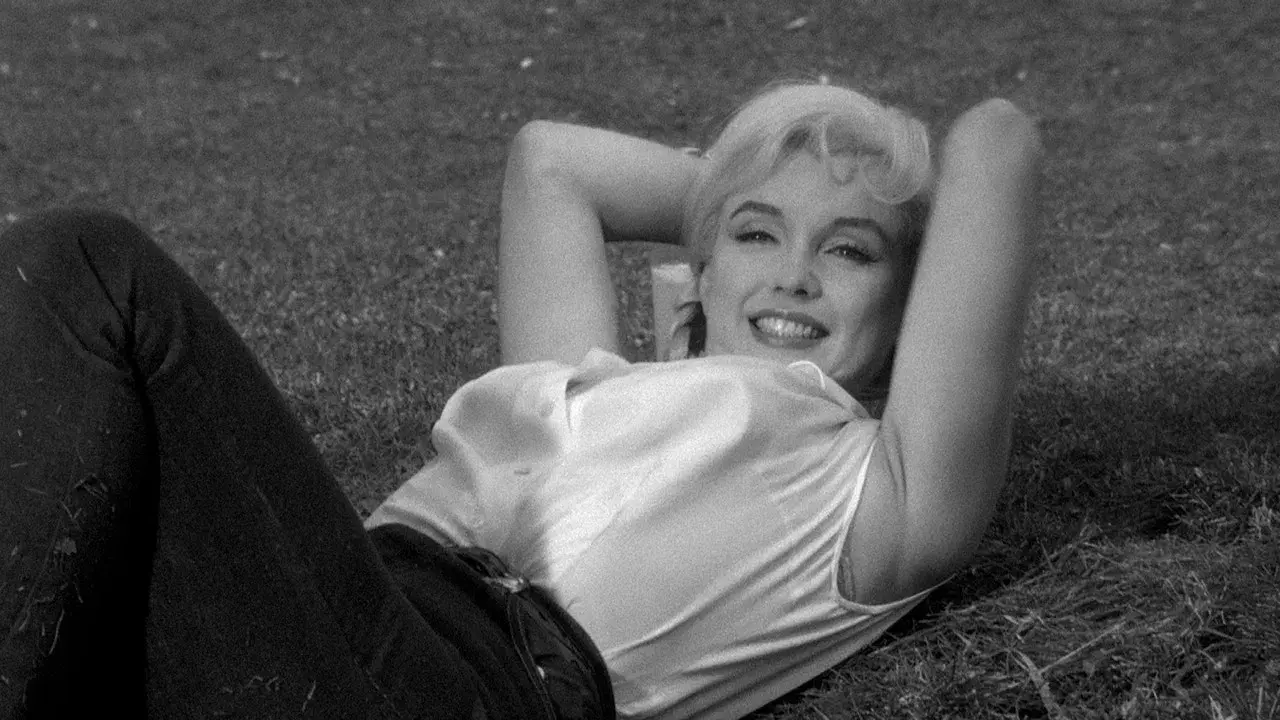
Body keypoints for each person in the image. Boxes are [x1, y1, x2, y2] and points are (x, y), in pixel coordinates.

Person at [0, 82, 1039, 719]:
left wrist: (826, 205)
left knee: (90, 268)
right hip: (313, 624)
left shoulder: (880, 491)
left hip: (454, 684)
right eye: (758, 236)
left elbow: (995, 142)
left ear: (913, 309)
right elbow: (550, 161)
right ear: (705, 264)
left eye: (848, 253)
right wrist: (738, 194)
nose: (793, 276)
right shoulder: (589, 382)